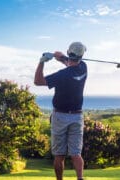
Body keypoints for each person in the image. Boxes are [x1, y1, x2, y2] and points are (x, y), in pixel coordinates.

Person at [34, 42, 87, 180]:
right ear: (81, 56)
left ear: (69, 53)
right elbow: (70, 63)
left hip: (60, 117)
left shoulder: (62, 75)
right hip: (77, 116)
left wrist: (42, 62)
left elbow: (38, 81)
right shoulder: (83, 68)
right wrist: (61, 57)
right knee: (76, 154)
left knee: (59, 155)